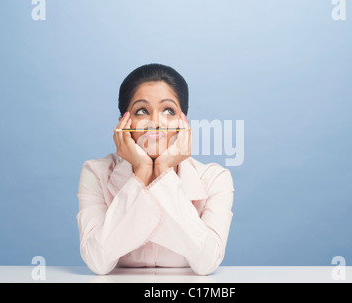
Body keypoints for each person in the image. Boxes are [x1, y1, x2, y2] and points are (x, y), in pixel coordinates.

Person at [76, 63, 235, 275]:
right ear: (124, 123)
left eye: (168, 111)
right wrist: (141, 173)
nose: (155, 123)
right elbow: (98, 261)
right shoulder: (95, 173)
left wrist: (163, 170)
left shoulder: (215, 179)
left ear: (183, 122)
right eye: (142, 111)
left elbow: (206, 262)